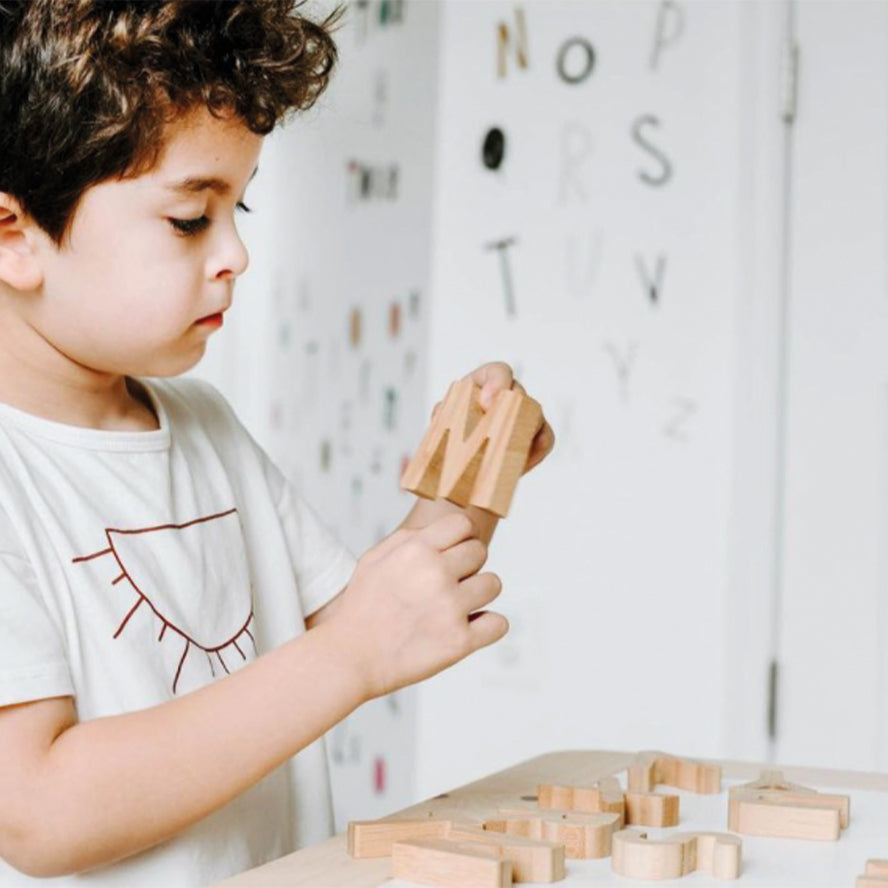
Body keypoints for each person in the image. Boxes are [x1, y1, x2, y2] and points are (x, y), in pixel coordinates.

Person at [0, 1, 555, 884]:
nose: (235, 256)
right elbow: (37, 813)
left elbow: (375, 623)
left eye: (240, 208)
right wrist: (348, 655)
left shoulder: (204, 423)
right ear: (15, 235)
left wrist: (471, 472)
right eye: (190, 219)